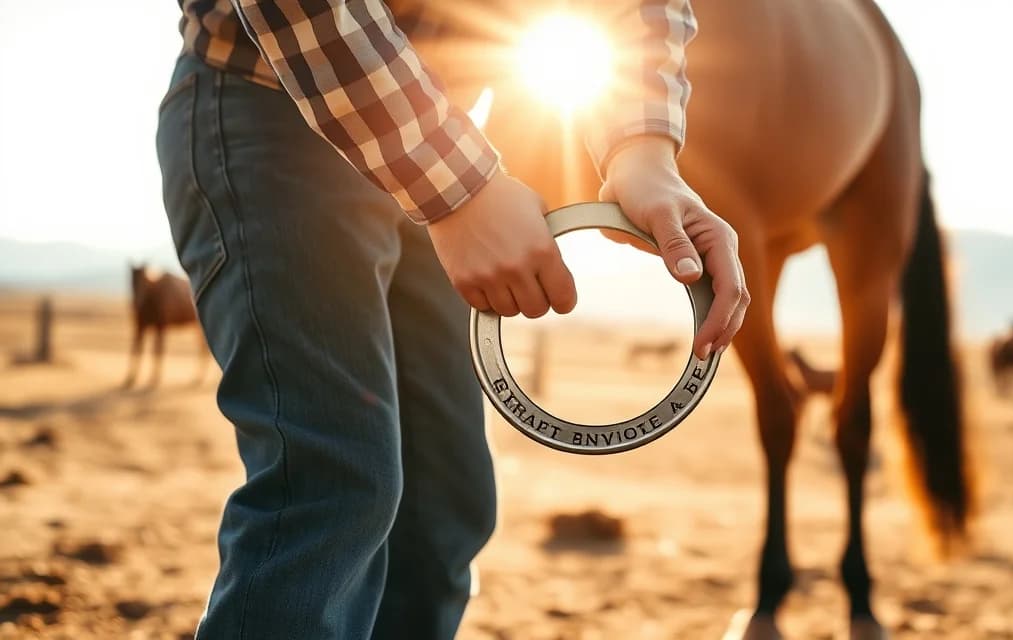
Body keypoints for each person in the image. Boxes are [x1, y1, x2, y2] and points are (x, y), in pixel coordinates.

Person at [158, 1, 748, 638]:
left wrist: (643, 149)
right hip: (270, 104)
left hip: (441, 130)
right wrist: (457, 189)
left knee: (446, 500)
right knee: (331, 483)